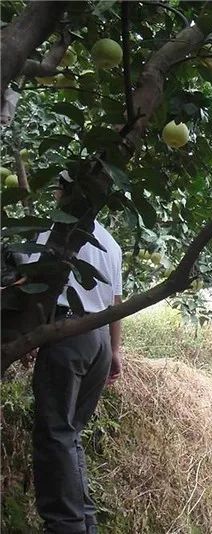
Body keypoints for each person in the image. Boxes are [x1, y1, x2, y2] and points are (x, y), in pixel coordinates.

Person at [17, 174, 123, 534]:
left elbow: (33, 286)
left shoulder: (55, 232)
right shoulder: (109, 241)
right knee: (69, 433)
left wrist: (30, 333)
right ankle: (83, 522)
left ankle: (65, 526)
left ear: (69, 193)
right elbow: (116, 303)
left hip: (69, 334)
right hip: (100, 340)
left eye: (59, 190)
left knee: (54, 432)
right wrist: (116, 350)